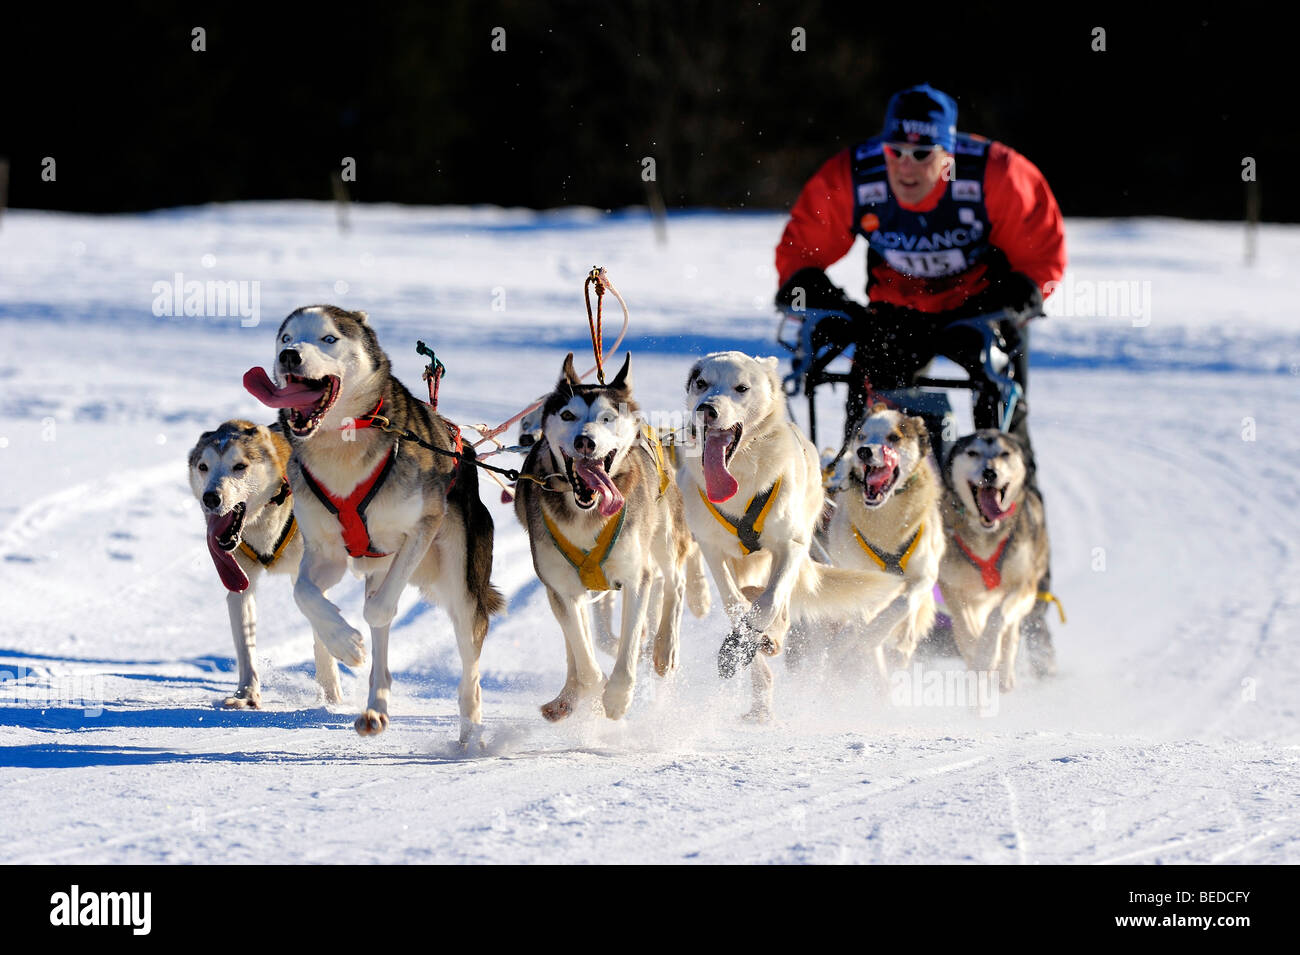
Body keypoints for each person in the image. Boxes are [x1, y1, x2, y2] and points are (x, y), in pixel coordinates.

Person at [773, 83, 1066, 675]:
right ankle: (859, 589)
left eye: (923, 154)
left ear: (949, 156)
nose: (907, 167)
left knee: (1005, 446)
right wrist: (825, 300)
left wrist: (1018, 296)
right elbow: (799, 253)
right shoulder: (855, 176)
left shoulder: (997, 175)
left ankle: (1025, 607)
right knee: (870, 439)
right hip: (895, 315)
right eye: (897, 153)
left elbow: (1042, 253)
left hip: (978, 311)